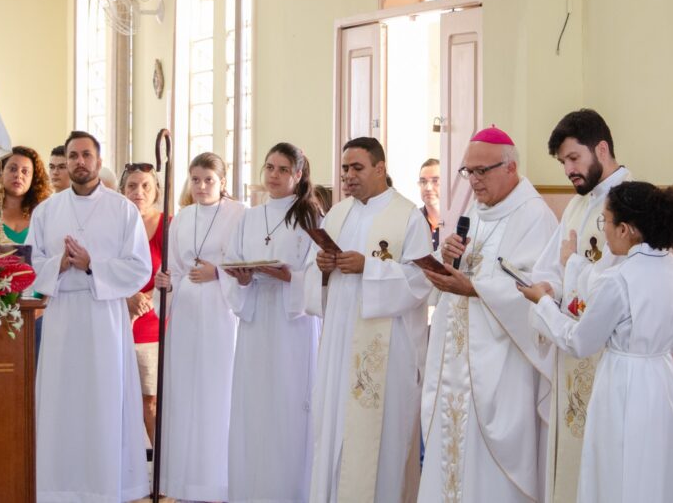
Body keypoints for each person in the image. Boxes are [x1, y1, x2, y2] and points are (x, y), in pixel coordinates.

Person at [521, 181, 673, 503]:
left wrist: (543, 304)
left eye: (606, 221)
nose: (604, 230)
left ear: (625, 229)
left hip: (623, 382)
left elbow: (579, 342)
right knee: (657, 468)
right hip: (664, 381)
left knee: (616, 469)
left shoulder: (619, 278)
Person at [418, 126, 557, 502]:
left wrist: (475, 288)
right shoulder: (477, 211)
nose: (474, 181)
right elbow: (471, 269)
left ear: (510, 167)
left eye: (482, 171)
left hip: (501, 367)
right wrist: (450, 258)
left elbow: (538, 290)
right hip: (457, 364)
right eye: (468, 171)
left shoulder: (535, 217)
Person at [301, 136, 434, 502]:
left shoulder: (408, 217)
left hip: (387, 350)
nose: (348, 175)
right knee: (335, 429)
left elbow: (422, 279)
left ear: (380, 168)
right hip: (339, 342)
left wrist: (369, 268)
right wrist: (322, 267)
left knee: (381, 440)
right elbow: (314, 280)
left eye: (357, 168)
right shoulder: (337, 214)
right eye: (345, 168)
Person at [27, 130, 151, 503]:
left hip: (105, 318)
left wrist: (92, 264)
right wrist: (60, 264)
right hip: (62, 317)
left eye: (86, 155)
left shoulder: (122, 209)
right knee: (61, 401)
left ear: (98, 160)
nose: (79, 162)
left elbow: (139, 268)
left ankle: (104, 486)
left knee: (103, 400)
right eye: (73, 156)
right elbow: (29, 265)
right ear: (66, 162)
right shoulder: (47, 210)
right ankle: (58, 488)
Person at [529, 108, 630, 503]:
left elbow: (621, 284)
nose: (569, 170)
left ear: (601, 149)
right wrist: (546, 288)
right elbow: (552, 266)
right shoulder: (577, 205)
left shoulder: (633, 202)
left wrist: (570, 271)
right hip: (570, 349)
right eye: (563, 162)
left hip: (606, 357)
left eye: (574, 158)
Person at [221, 143, 321, 503]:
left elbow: (319, 274)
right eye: (269, 167)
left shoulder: (311, 218)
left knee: (288, 408)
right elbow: (232, 260)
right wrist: (243, 278)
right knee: (253, 406)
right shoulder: (249, 218)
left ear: (298, 174)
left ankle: (290, 492)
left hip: (292, 323)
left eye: (283, 169)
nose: (274, 175)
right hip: (256, 319)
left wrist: (289, 277)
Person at [154, 153, 246, 502]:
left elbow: (246, 263)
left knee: (217, 393)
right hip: (187, 314)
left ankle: (219, 482)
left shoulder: (239, 214)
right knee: (185, 393)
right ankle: (186, 483)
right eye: (195, 179)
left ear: (222, 181)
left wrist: (218, 272)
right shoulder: (182, 218)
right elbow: (176, 268)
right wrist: (166, 282)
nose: (202, 186)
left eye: (209, 179)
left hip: (222, 311)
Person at [119, 162, 164, 451]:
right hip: (118, 319)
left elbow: (176, 270)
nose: (139, 192)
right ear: (122, 191)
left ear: (156, 190)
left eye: (146, 186)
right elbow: (103, 266)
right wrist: (127, 295)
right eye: (132, 186)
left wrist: (144, 296)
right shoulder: (114, 223)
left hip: (152, 323)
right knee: (120, 399)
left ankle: (159, 465)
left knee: (151, 399)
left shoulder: (168, 225)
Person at [417, 157, 441, 250]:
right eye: (423, 181)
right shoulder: (412, 220)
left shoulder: (455, 221)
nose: (428, 188)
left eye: (435, 181)